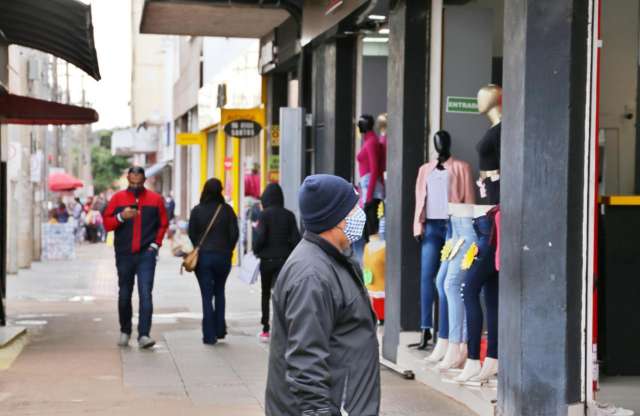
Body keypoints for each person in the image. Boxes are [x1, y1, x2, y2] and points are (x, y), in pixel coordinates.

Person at [266, 174, 380, 416]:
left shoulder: (334, 259)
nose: (359, 214)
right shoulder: (312, 276)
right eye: (353, 209)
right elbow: (306, 363)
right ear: (335, 218)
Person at [104, 166, 169, 349]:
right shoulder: (118, 198)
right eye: (132, 181)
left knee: (145, 294)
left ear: (144, 180)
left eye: (139, 181)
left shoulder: (155, 200)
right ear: (127, 179)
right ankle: (125, 330)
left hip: (146, 255)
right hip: (124, 254)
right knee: (124, 294)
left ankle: (144, 334)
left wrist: (155, 245)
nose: (135, 184)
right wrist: (121, 217)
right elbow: (107, 224)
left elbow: (163, 224)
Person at [188, 178, 239, 345]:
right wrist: (228, 249)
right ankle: (220, 329)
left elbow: (192, 233)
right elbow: (234, 234)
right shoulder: (227, 210)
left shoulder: (197, 210)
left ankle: (209, 335)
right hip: (223, 257)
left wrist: (198, 246)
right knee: (220, 292)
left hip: (203, 257)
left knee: (206, 296)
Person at [252, 183, 300, 342]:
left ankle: (266, 329)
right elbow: (296, 239)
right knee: (284, 295)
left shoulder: (264, 215)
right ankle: (285, 328)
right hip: (285, 261)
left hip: (267, 261)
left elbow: (260, 238)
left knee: (266, 294)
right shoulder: (289, 215)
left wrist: (256, 251)